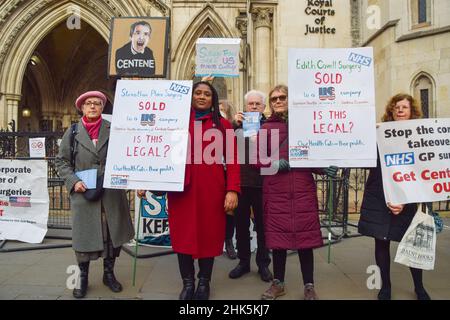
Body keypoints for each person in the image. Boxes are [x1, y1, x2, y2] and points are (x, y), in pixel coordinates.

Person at [138, 82, 240, 300]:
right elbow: (157, 152)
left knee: (209, 236)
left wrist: (232, 190)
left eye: (207, 94)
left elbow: (232, 161)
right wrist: (145, 179)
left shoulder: (223, 125)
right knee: (183, 236)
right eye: (198, 93)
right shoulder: (174, 121)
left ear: (213, 99)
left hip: (212, 191)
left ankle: (204, 282)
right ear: (191, 96)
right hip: (181, 190)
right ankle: (188, 282)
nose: (202, 97)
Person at [254, 85, 337, 300]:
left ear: (290, 99)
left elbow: (312, 156)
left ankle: (309, 286)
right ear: (270, 104)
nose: (278, 101)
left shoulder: (305, 125)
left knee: (305, 240)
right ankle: (278, 283)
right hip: (276, 192)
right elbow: (256, 160)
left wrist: (322, 167)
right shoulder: (265, 128)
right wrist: (273, 163)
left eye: (282, 97)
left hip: (302, 189)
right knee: (278, 241)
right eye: (274, 99)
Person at [55, 91, 134, 299]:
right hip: (84, 194)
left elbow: (128, 154)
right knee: (84, 238)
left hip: (111, 193)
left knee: (112, 235)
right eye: (88, 104)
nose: (92, 107)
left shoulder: (114, 130)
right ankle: (82, 278)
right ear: (81, 108)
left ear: (102, 108)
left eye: (97, 104)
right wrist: (74, 182)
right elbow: (61, 162)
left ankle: (109, 274)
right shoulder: (72, 132)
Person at [358, 93, 428, 300]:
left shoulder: (420, 136)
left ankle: (419, 287)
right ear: (391, 111)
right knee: (381, 242)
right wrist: (372, 135)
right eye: (396, 107)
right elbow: (366, 158)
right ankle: (385, 287)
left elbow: (423, 169)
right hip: (380, 196)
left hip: (408, 196)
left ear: (411, 112)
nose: (399, 110)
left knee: (412, 243)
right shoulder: (379, 133)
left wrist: (404, 201)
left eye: (404, 107)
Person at [228, 90, 273, 282]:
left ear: (264, 107)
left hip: (264, 183)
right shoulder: (237, 125)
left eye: (257, 104)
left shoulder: (270, 126)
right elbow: (223, 145)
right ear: (245, 106)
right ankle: (243, 262)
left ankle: (263, 264)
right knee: (241, 226)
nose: (254, 107)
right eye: (250, 104)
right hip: (242, 183)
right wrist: (233, 126)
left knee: (263, 227)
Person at [219, 99, 238, 260]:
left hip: (229, 172)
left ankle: (228, 240)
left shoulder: (232, 126)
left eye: (222, 109)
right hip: (214, 172)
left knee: (229, 210)